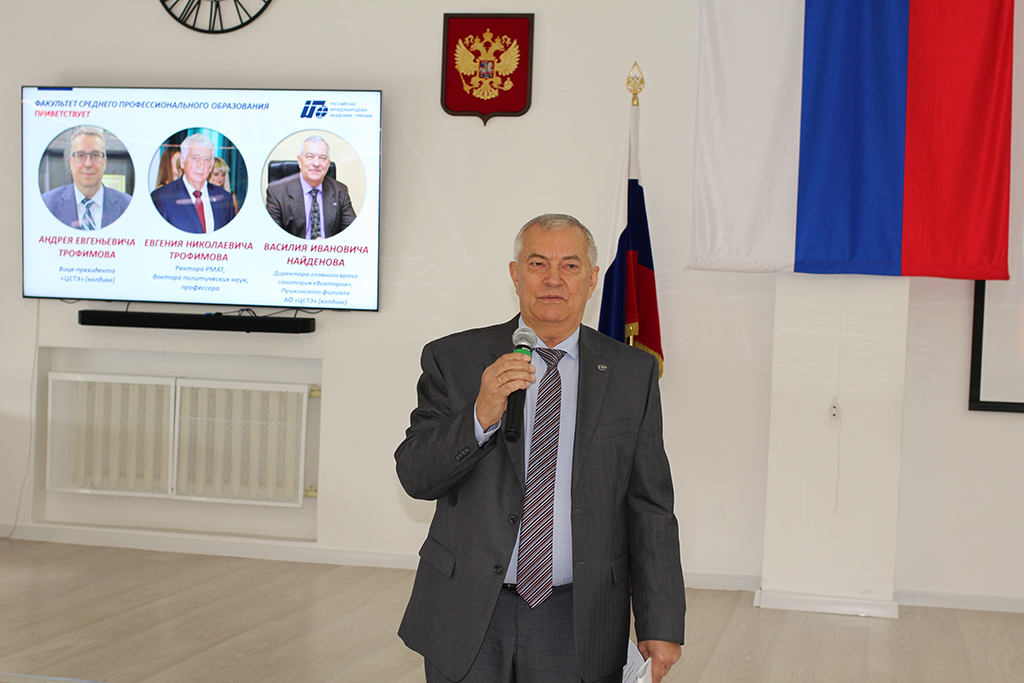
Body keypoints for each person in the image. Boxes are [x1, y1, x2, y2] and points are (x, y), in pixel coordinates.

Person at [395, 214, 686, 683]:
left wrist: (661, 623)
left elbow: (650, 506)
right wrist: (479, 415)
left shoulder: (632, 374)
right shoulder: (454, 359)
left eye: (570, 265)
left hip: (577, 617)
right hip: (468, 611)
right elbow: (415, 476)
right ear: (515, 275)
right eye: (537, 263)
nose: (553, 279)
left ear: (592, 280)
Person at [265, 135, 356, 239]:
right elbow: (272, 238)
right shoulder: (277, 193)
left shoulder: (340, 191)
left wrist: (328, 245)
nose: (316, 163)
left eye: (322, 158)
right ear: (300, 161)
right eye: (310, 156)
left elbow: (353, 234)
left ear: (328, 164)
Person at [42, 127, 131, 230]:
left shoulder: (127, 205)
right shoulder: (47, 204)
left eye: (95, 155)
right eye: (80, 155)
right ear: (71, 162)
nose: (88, 164)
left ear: (104, 162)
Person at [150, 133, 236, 233]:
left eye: (206, 159)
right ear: (182, 162)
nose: (201, 165)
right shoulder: (162, 198)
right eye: (195, 158)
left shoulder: (225, 199)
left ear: (211, 165)